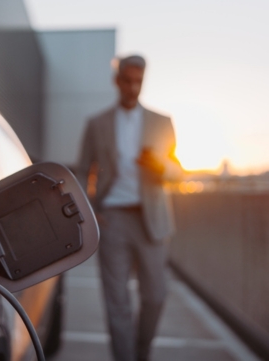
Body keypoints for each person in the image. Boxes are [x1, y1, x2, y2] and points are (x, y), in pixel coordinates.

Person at [77, 55, 182, 361]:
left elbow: (177, 171)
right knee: (117, 302)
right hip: (112, 219)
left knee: (156, 296)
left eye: (139, 81)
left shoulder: (162, 122)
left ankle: (142, 352)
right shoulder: (97, 124)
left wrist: (159, 164)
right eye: (128, 80)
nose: (133, 87)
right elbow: (83, 170)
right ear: (118, 80)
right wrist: (89, 211)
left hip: (153, 220)